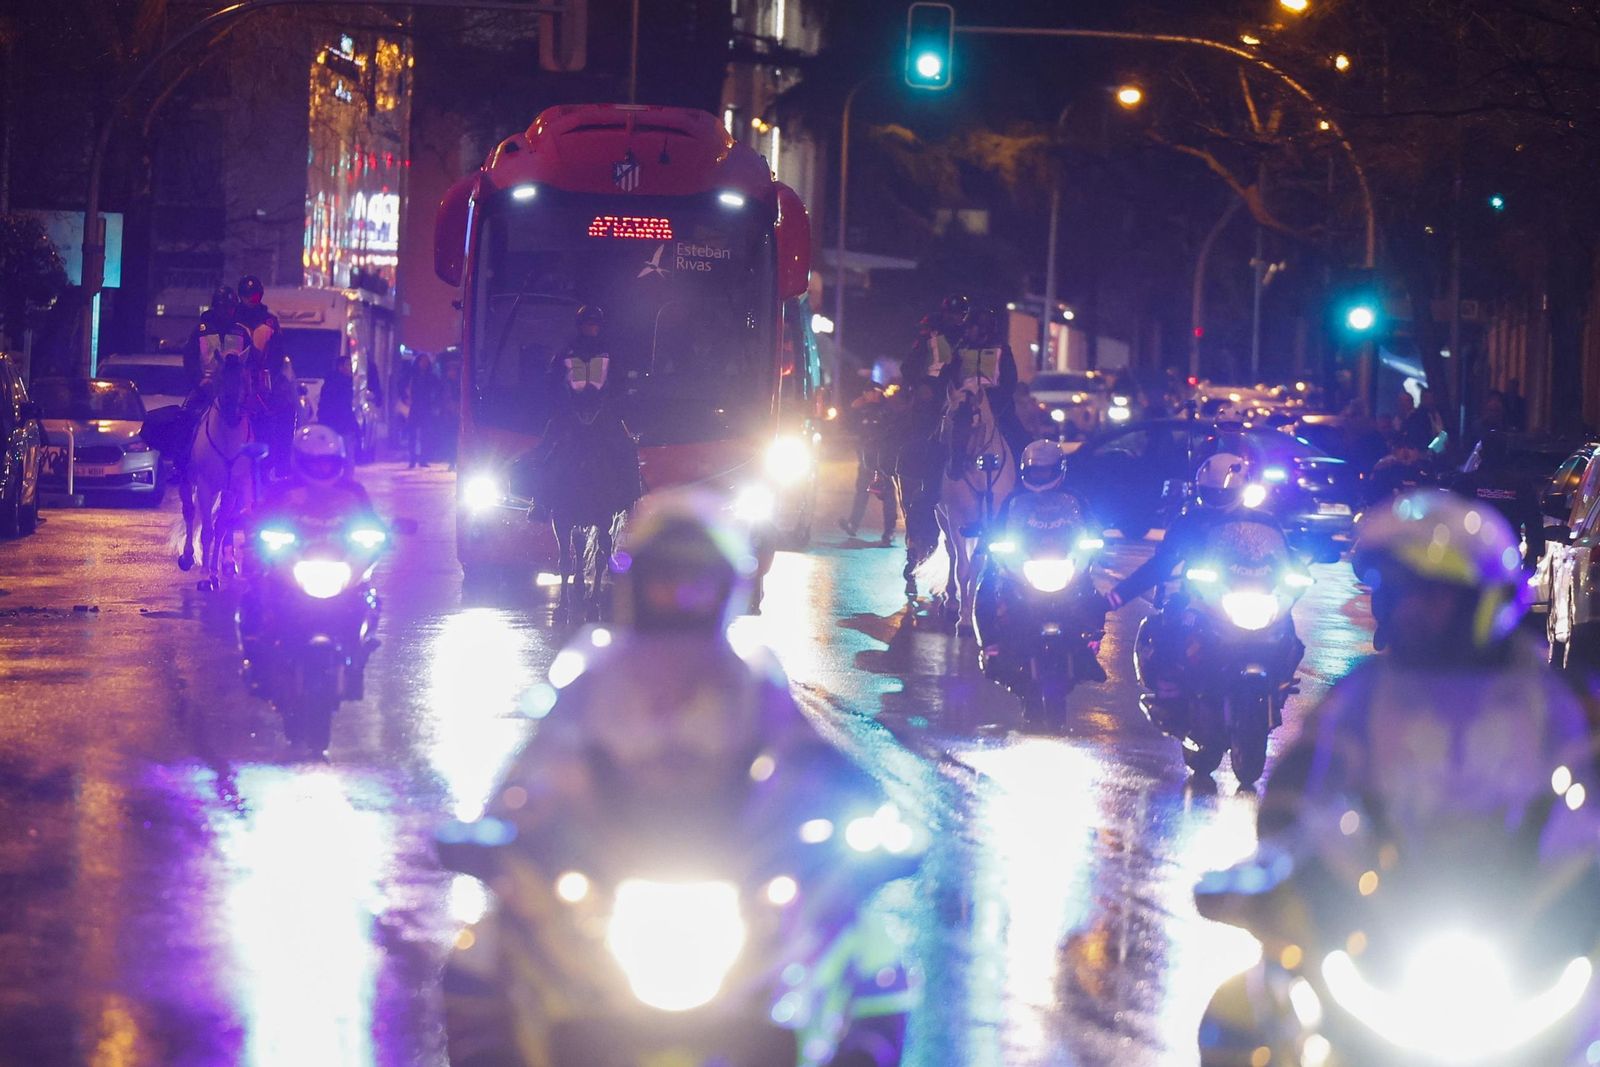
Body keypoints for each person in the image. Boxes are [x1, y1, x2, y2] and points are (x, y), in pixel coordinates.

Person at [1258, 490, 1599, 861]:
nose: (1412, 611)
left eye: (1433, 596)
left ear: (1480, 601)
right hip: (1386, 893)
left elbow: (1587, 791)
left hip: (1522, 899)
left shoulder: (1554, 700)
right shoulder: (1364, 694)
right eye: (1403, 594)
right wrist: (1277, 865)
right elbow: (1295, 787)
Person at [1105, 451, 1303, 707]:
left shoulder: (1262, 520)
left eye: (1223, 494)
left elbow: (1285, 556)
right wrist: (1117, 596)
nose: (1217, 498)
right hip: (1202, 597)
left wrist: (1298, 574)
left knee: (1287, 630)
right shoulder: (1190, 522)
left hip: (1256, 596)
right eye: (1210, 492)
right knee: (1170, 626)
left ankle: (1281, 679)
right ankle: (1170, 693)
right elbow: (1162, 563)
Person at [238, 425, 380, 695]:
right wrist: (259, 530)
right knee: (255, 599)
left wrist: (379, 534)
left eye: (328, 463)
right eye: (315, 464)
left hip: (340, 567)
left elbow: (372, 524)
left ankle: (358, 648)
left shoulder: (354, 493)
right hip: (293, 568)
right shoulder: (282, 492)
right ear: (299, 461)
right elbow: (262, 522)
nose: (322, 470)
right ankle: (257, 662)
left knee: (368, 598)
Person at [975, 439, 1107, 681]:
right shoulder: (1014, 500)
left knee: (1093, 598)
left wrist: (1095, 541)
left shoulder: (1074, 499)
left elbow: (1092, 527)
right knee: (987, 588)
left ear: (1058, 469)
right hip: (1023, 566)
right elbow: (997, 529)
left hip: (1065, 565)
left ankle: (1090, 646)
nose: (1040, 475)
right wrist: (988, 540)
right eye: (1035, 470)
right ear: (1026, 469)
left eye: (1045, 470)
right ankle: (991, 646)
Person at [940, 304, 1028, 461]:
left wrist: (993, 400)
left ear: (982, 329)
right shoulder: (961, 348)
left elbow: (1009, 381)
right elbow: (950, 374)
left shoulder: (1002, 349)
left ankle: (1023, 475)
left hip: (996, 404)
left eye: (970, 328)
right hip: (963, 401)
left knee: (1020, 440)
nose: (966, 331)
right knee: (939, 433)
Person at [1449, 429, 1544, 570]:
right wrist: (1533, 555)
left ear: (1481, 454)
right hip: (1505, 555)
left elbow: (1450, 517)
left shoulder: (1465, 483)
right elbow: (1533, 520)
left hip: (1472, 556)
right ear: (1506, 454)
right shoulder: (1519, 485)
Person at [839, 383, 897, 545]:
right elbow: (848, 426)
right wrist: (852, 408)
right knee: (861, 491)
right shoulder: (862, 410)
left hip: (884, 459)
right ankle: (853, 524)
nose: (866, 395)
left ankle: (889, 531)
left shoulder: (887, 410)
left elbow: (893, 431)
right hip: (866, 458)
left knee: (888, 495)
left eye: (869, 392)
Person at [546, 305, 611, 412]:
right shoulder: (566, 352)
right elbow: (553, 380)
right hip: (568, 412)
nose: (595, 327)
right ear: (581, 325)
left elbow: (617, 380)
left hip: (601, 414)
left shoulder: (607, 352)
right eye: (590, 323)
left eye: (597, 324)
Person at [1365, 421, 1433, 506]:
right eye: (1400, 447)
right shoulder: (1385, 469)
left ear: (1418, 451)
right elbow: (1373, 499)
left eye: (1410, 447)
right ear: (1393, 450)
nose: (1405, 452)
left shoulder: (1427, 471)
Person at [317, 353, 360, 460]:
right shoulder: (343, 384)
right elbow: (344, 406)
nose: (351, 369)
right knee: (347, 452)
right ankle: (345, 475)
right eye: (349, 365)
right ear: (341, 367)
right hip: (341, 424)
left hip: (330, 423)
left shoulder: (331, 382)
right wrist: (353, 424)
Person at [405, 352, 438, 469]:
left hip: (426, 408)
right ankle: (412, 459)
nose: (423, 364)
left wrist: (434, 403)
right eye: (422, 361)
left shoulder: (431, 377)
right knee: (412, 435)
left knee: (425, 434)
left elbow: (436, 390)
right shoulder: (413, 376)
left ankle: (423, 458)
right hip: (415, 407)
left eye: (425, 361)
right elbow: (406, 389)